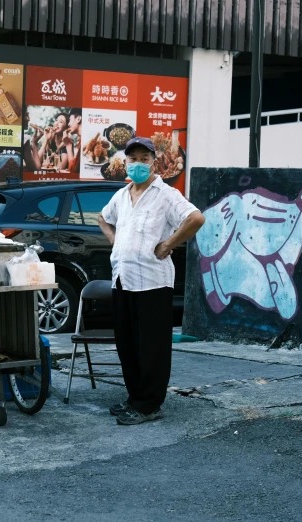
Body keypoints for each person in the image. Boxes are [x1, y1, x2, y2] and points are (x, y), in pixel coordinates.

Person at [98, 137, 206, 426]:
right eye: (132, 159)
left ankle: (149, 405)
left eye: (144, 158)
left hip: (153, 283)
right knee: (128, 345)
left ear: (153, 161)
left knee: (151, 348)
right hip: (123, 279)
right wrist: (114, 240)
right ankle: (135, 398)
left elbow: (196, 218)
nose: (138, 164)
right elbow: (102, 218)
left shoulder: (166, 194)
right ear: (125, 163)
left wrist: (169, 243)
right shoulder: (122, 195)